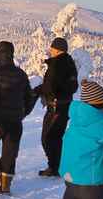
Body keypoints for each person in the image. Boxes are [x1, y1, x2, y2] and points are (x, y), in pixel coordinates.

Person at [0, 40, 37, 195]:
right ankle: (5, 185)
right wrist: (21, 114)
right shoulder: (21, 74)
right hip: (16, 122)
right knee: (10, 152)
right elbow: (30, 98)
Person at [31, 37, 78, 176]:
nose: (50, 50)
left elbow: (50, 86)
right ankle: (59, 165)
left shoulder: (56, 64)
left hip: (56, 106)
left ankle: (55, 167)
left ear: (57, 49)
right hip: (66, 105)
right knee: (57, 137)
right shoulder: (70, 63)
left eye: (51, 48)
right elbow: (72, 86)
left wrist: (37, 92)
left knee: (48, 137)